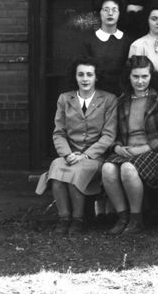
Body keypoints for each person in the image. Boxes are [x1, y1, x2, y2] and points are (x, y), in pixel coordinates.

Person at [42, 58, 118, 234]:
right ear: (75, 77)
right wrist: (67, 154)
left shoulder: (108, 99)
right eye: (81, 74)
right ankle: (64, 218)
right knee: (56, 167)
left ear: (96, 77)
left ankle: (78, 219)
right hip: (70, 154)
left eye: (89, 75)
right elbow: (59, 132)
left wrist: (85, 155)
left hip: (95, 157)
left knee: (76, 170)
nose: (85, 79)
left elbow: (109, 135)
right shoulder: (64, 99)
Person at [101, 55, 158, 235]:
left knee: (127, 169)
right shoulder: (121, 101)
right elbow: (112, 131)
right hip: (125, 150)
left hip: (153, 151)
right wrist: (116, 147)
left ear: (151, 76)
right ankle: (122, 216)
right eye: (135, 77)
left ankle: (136, 218)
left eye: (144, 76)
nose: (140, 81)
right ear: (128, 77)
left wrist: (146, 147)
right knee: (107, 169)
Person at [79, 0, 130, 95]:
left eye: (114, 10)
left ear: (120, 13)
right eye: (106, 10)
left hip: (122, 95)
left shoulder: (128, 41)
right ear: (99, 13)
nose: (110, 13)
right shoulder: (88, 41)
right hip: (96, 96)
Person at [127, 5, 158, 91]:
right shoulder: (138, 45)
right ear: (147, 20)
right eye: (154, 19)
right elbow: (134, 74)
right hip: (147, 90)